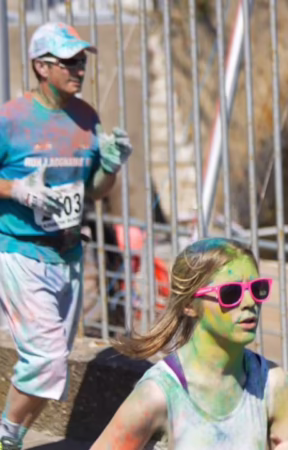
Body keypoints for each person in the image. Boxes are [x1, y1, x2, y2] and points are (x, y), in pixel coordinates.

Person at [0, 21, 133, 450]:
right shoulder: (11, 119)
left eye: (81, 61)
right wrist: (18, 190)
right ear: (41, 66)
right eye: (69, 62)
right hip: (21, 251)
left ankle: (12, 437)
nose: (79, 69)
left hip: (70, 255)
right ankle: (5, 437)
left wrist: (109, 165)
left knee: (49, 365)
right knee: (47, 360)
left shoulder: (86, 116)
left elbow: (94, 190)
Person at [92, 238, 288, 450]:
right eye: (231, 293)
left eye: (257, 289)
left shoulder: (272, 385)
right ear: (189, 305)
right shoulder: (158, 395)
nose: (250, 302)